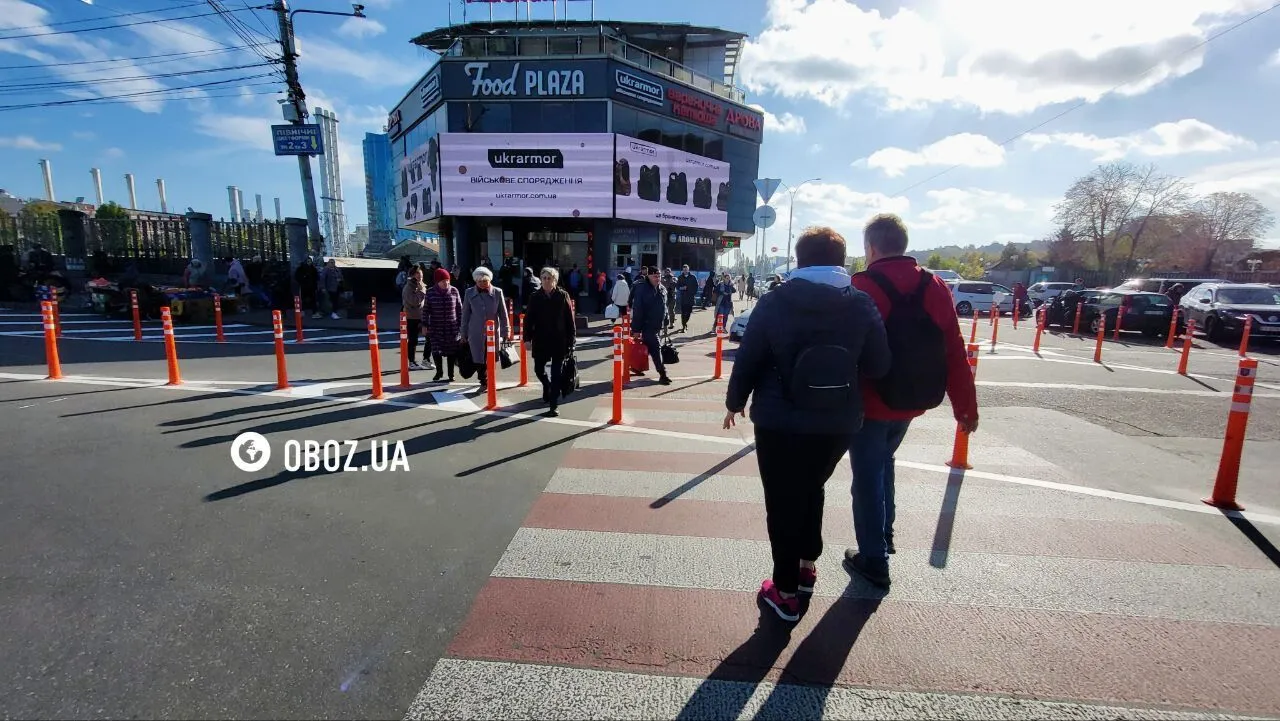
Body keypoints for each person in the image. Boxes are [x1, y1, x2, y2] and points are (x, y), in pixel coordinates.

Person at [723, 226, 891, 622]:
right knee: (812, 489)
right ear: (841, 260)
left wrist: (734, 403)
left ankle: (784, 595)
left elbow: (748, 359)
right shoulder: (861, 304)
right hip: (837, 424)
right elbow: (880, 365)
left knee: (782, 502)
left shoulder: (774, 302)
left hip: (779, 422)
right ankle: (805, 567)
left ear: (799, 260)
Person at [845, 214, 979, 589]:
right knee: (885, 462)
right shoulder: (934, 284)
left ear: (871, 247)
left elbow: (851, 348)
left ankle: (873, 559)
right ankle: (883, 537)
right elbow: (953, 348)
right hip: (913, 398)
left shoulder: (863, 285)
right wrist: (965, 407)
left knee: (867, 477)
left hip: (871, 401)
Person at [524, 267, 576, 416]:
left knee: (556, 374)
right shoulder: (535, 296)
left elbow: (570, 321)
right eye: (544, 278)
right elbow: (528, 319)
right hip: (540, 340)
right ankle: (547, 387)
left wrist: (572, 341)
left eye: (550, 278)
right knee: (538, 370)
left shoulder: (562, 295)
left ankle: (553, 406)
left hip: (559, 341)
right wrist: (526, 338)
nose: (547, 281)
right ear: (541, 279)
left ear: (555, 280)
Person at [461, 266, 510, 392]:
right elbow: (465, 314)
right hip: (475, 332)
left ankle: (488, 379)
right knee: (478, 357)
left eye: (485, 281)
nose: (482, 284)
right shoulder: (469, 293)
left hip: (492, 332)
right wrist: (463, 333)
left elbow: (503, 314)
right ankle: (483, 380)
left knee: (490, 357)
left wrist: (506, 331)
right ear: (475, 281)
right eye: (479, 281)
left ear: (490, 280)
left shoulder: (497, 292)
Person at [629, 267, 672, 384]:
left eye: (659, 276)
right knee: (656, 349)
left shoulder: (662, 289)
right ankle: (663, 374)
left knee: (647, 348)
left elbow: (665, 306)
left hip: (658, 325)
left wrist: (666, 319)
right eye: (654, 276)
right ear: (648, 276)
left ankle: (636, 366)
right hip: (647, 326)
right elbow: (638, 310)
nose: (657, 278)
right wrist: (636, 329)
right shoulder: (642, 289)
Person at [425, 267, 462, 381]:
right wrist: (424, 325)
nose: (446, 283)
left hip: (452, 327)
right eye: (443, 281)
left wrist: (462, 325)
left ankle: (451, 374)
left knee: (452, 352)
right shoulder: (430, 292)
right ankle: (439, 372)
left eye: (447, 280)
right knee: (436, 351)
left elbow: (460, 309)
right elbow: (426, 310)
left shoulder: (454, 291)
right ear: (437, 282)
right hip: (436, 327)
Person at [402, 266, 429, 370]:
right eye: (417, 274)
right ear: (412, 275)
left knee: (429, 337)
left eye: (421, 274)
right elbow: (415, 302)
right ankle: (411, 361)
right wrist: (421, 291)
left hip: (422, 316)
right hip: (411, 317)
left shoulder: (421, 285)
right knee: (413, 340)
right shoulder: (408, 287)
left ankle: (426, 360)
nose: (420, 276)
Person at [676, 265, 699, 332]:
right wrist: (681, 288)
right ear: (682, 270)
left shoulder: (693, 277)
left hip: (690, 298)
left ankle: (685, 323)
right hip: (683, 298)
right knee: (683, 313)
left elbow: (696, 286)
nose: (685, 271)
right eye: (684, 270)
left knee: (689, 312)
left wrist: (693, 293)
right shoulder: (680, 277)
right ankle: (683, 326)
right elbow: (677, 286)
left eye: (686, 270)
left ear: (688, 270)